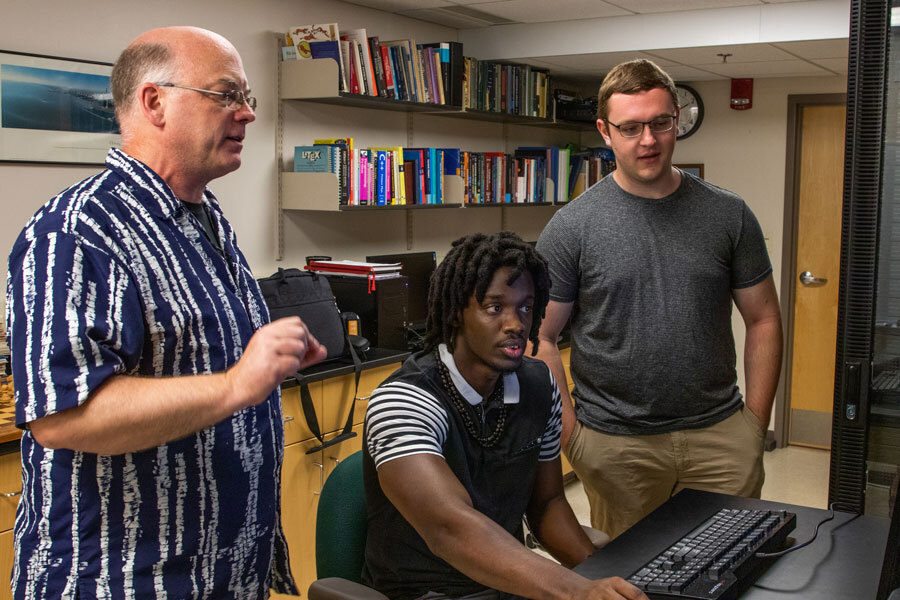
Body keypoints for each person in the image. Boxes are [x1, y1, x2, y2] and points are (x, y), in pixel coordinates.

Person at [5, 27, 327, 599]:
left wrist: (266, 364)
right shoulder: (78, 231)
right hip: (123, 582)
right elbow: (63, 417)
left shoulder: (203, 217)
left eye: (248, 98)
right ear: (155, 102)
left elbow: (196, 364)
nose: (247, 114)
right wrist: (236, 384)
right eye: (227, 95)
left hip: (224, 572)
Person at [535, 59, 783, 540]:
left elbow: (764, 318)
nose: (647, 140)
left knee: (732, 568)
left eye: (660, 123)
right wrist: (573, 437)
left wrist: (754, 426)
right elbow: (541, 337)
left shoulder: (728, 215)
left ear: (676, 121)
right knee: (632, 582)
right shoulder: (571, 227)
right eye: (630, 128)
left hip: (721, 437)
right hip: (616, 445)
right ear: (606, 132)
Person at [361, 232, 646, 600]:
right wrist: (577, 591)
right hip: (422, 592)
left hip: (507, 584)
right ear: (456, 313)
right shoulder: (405, 400)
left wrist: (605, 579)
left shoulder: (539, 384)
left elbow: (546, 505)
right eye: (495, 307)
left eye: (525, 307)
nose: (515, 323)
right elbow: (450, 530)